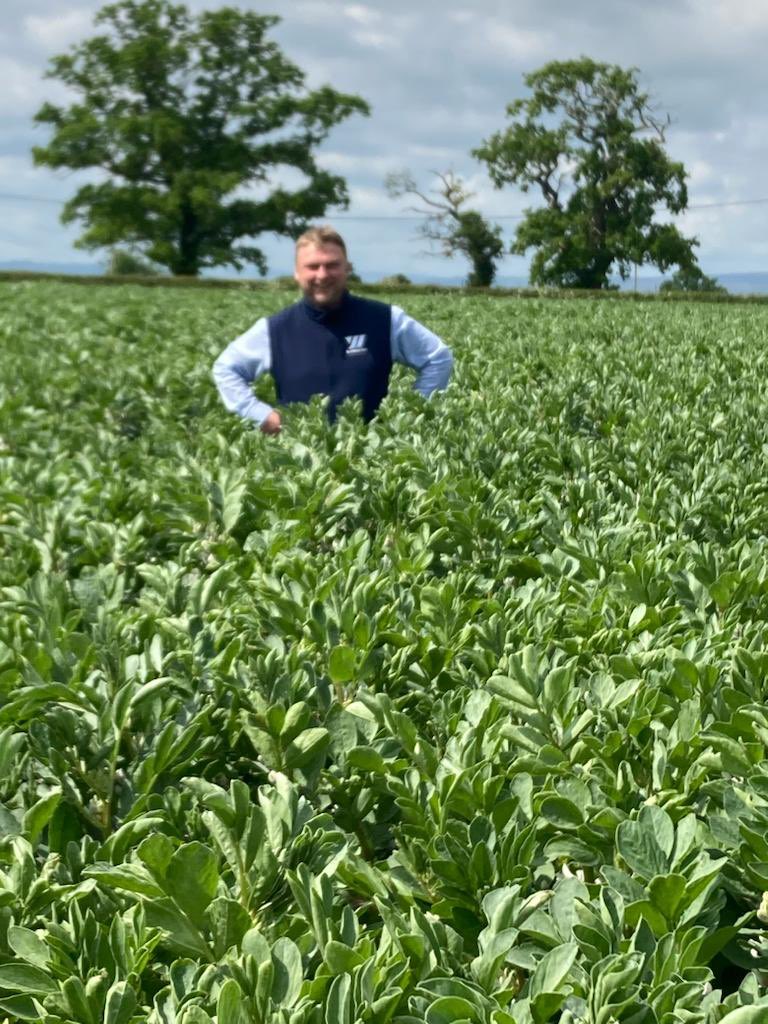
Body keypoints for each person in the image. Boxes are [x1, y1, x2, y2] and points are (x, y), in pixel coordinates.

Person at [212, 225, 453, 434]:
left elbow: (438, 357)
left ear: (347, 268)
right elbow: (226, 369)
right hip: (298, 465)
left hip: (373, 460)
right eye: (312, 266)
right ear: (297, 272)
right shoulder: (274, 329)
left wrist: (410, 412)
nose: (322, 275)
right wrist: (262, 415)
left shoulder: (385, 319)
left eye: (332, 265)